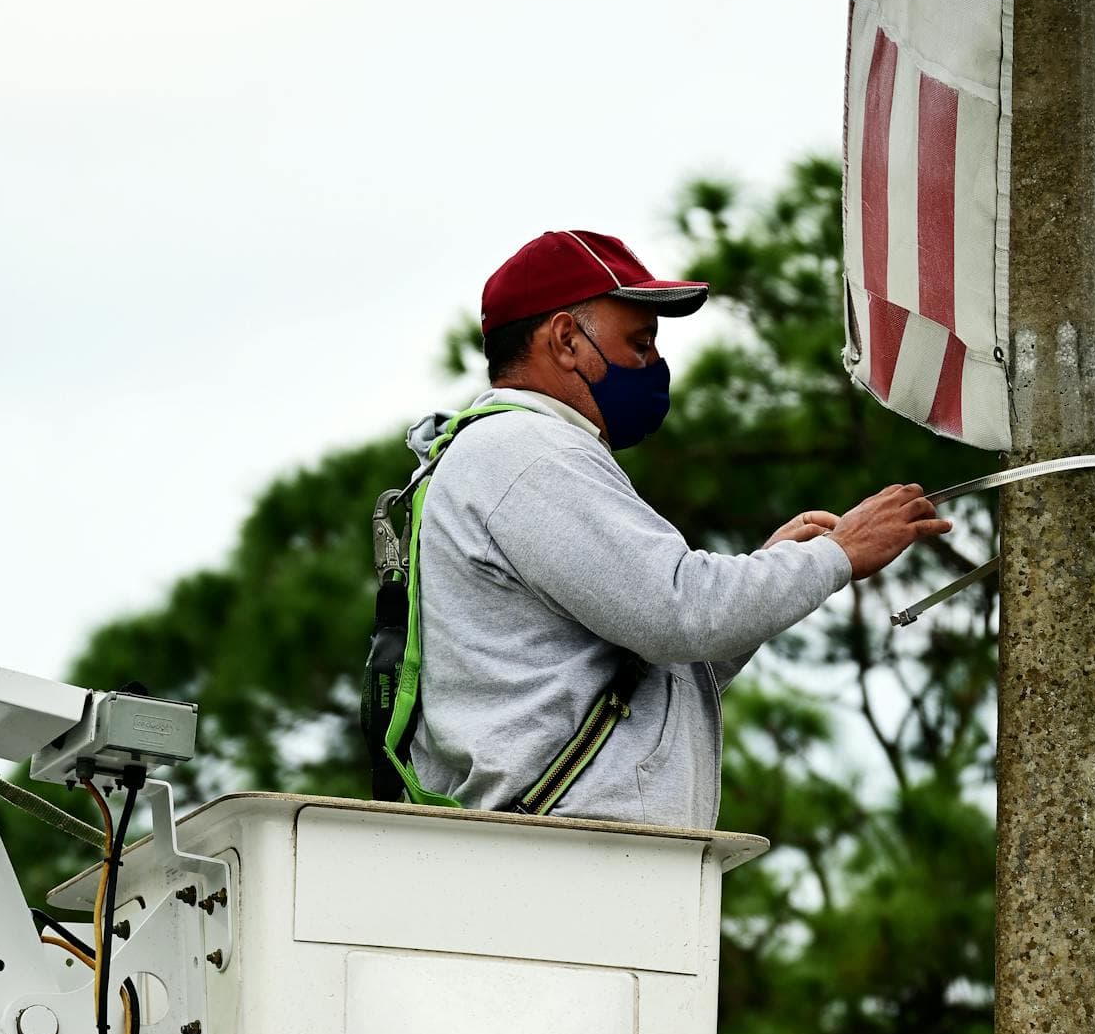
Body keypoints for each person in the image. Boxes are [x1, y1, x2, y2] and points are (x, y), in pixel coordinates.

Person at [405, 228, 950, 828]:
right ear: (565, 339)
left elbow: (664, 664)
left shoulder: (506, 452)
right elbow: (682, 612)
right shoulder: (530, 451)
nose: (656, 364)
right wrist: (840, 553)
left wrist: (772, 568)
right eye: (639, 343)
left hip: (562, 854)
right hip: (569, 857)